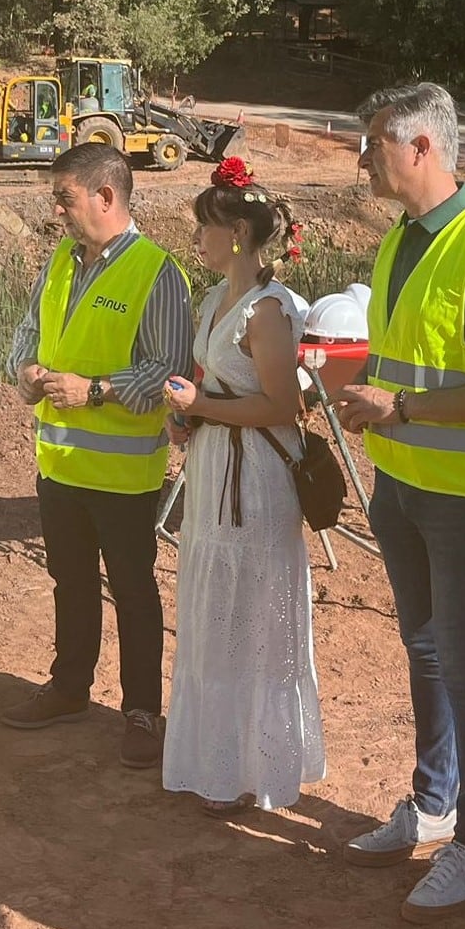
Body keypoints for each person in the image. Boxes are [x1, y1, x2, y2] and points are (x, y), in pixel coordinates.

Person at [334, 82, 465, 923]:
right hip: (404, 486)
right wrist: (371, 398)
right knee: (425, 654)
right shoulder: (401, 243)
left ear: (420, 146)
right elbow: (411, 361)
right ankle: (430, 802)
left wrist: (406, 408)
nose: (362, 157)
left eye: (374, 141)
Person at [2, 142, 193, 768]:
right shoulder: (60, 260)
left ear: (106, 197)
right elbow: (27, 335)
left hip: (124, 475)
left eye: (66, 198)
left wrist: (98, 391)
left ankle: (142, 712)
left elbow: (166, 373)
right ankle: (69, 687)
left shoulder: (157, 272)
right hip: (58, 465)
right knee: (71, 584)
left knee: (134, 591)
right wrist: (25, 370)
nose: (57, 212)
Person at [159, 160, 324, 816]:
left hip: (254, 481)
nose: (197, 237)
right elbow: (219, 395)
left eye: (205, 226)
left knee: (250, 614)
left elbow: (285, 406)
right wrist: (187, 416)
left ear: (234, 232)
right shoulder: (212, 300)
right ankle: (216, 759)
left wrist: (201, 404)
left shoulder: (267, 310)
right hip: (212, 472)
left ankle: (256, 764)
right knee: (214, 610)